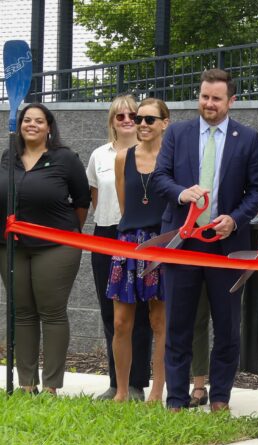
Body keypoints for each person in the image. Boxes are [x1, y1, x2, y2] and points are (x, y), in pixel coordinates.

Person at [152, 68, 258, 412]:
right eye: (204, 96)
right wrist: (182, 193)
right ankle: (175, 400)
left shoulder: (246, 138)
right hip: (183, 243)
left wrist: (234, 219)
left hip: (226, 246)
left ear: (231, 101)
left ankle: (219, 398)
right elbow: (160, 177)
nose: (209, 104)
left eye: (216, 98)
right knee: (178, 325)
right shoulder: (177, 133)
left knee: (228, 326)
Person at [0, 103, 91, 394]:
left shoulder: (65, 159)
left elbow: (81, 203)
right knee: (22, 312)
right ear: (20, 125)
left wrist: (65, 233)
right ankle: (27, 385)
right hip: (11, 247)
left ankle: (51, 386)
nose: (32, 125)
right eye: (27, 120)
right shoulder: (7, 158)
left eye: (40, 121)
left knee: (51, 312)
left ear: (49, 127)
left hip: (56, 247)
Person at [86, 94, 152, 401]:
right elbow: (96, 199)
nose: (127, 120)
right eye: (120, 116)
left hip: (139, 237)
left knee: (139, 314)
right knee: (111, 313)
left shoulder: (149, 154)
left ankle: (137, 383)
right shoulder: (99, 155)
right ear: (112, 121)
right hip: (106, 233)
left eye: (133, 115)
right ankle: (117, 383)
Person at [106, 98, 170, 402]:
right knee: (121, 322)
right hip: (128, 242)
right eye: (139, 119)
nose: (142, 124)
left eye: (149, 119)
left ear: (164, 123)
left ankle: (157, 392)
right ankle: (121, 391)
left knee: (159, 322)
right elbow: (124, 204)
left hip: (162, 244)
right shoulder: (123, 157)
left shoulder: (173, 160)